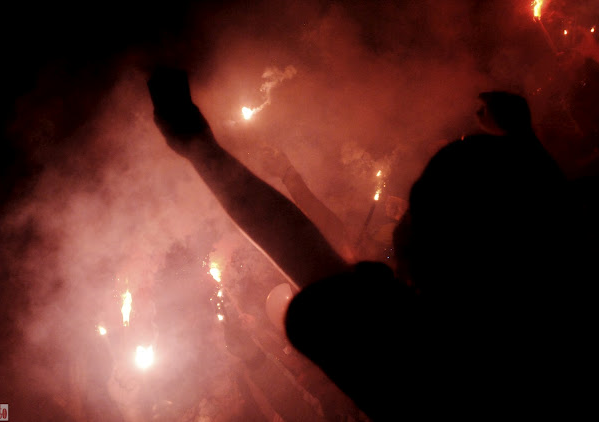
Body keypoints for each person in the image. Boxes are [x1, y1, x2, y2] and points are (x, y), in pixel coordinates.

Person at [147, 68, 589, 419]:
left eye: (419, 210)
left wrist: (201, 150)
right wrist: (527, 145)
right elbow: (554, 213)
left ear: (444, 253)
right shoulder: (554, 295)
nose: (402, 224)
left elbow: (295, 244)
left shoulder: (420, 364)